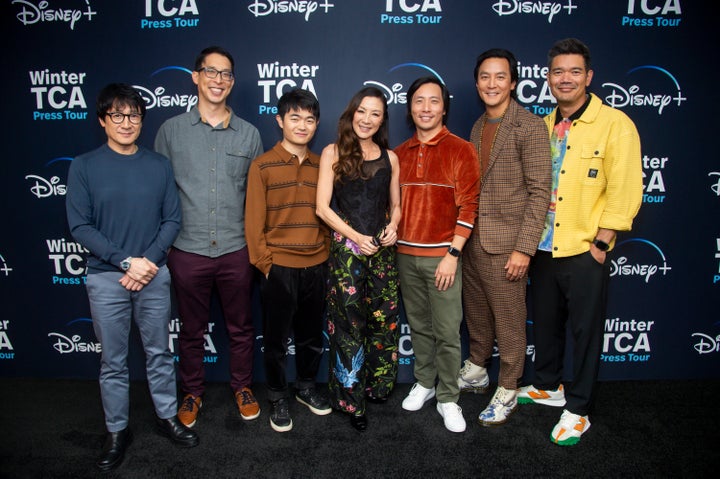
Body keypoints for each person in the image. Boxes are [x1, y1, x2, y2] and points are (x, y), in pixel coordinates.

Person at [66, 83, 198, 472]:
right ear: (103, 120)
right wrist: (126, 262)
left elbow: (172, 219)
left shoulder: (158, 165)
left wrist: (147, 263)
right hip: (108, 278)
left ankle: (167, 416)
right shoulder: (84, 166)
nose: (127, 123)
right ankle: (117, 431)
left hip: (154, 274)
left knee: (159, 352)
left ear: (142, 120)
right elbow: (80, 226)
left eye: (134, 116)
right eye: (118, 116)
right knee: (114, 361)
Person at [518, 38, 642, 446]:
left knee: (586, 332)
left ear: (589, 77)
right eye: (557, 71)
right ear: (548, 77)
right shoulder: (541, 124)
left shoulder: (615, 124)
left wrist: (603, 243)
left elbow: (625, 190)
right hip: (543, 245)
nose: (565, 79)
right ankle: (548, 386)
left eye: (574, 71)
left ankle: (579, 408)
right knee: (548, 324)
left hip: (585, 247)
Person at [154, 46, 264, 427]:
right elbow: (159, 191)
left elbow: (257, 200)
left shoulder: (249, 134)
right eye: (211, 72)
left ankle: (243, 387)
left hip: (236, 249)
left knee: (241, 326)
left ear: (233, 82)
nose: (219, 80)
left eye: (226, 74)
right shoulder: (171, 131)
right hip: (187, 250)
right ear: (195, 76)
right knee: (190, 329)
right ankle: (192, 393)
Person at [458, 49, 551, 426]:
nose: (492, 84)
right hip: (474, 241)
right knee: (477, 314)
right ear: (477, 82)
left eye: (500, 77)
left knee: (510, 320)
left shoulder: (528, 126)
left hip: (509, 246)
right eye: (485, 77)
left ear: (513, 82)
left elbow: (540, 192)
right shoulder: (478, 127)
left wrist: (524, 248)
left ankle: (509, 387)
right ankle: (479, 368)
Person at [395, 77, 480, 433]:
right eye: (418, 101)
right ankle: (426, 383)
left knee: (446, 331)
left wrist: (452, 253)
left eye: (433, 101)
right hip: (404, 256)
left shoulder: (461, 150)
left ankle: (448, 397)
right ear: (410, 106)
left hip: (443, 257)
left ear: (444, 107)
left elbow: (469, 207)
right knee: (419, 326)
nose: (426, 108)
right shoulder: (399, 153)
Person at [244, 88, 332, 433]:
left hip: (316, 265)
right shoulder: (262, 166)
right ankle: (278, 396)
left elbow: (327, 214)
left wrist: (323, 256)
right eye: (294, 117)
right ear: (280, 120)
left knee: (311, 336)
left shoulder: (322, 165)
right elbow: (253, 224)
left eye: (309, 119)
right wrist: (266, 264)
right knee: (277, 340)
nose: (302, 125)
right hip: (277, 267)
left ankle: (306, 388)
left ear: (316, 124)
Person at [316, 86, 402, 432]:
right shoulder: (332, 152)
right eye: (362, 111)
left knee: (383, 321)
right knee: (349, 326)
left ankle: (378, 387)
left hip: (382, 252)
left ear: (382, 119)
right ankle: (352, 401)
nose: (367, 119)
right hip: (348, 253)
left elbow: (395, 205)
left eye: (375, 113)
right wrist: (355, 238)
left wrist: (394, 226)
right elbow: (322, 207)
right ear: (352, 114)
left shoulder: (390, 157)